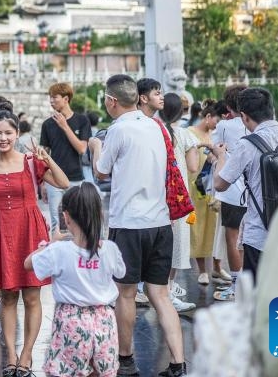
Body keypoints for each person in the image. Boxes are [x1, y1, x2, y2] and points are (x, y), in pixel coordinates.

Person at [89, 75, 186, 377]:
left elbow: (101, 173)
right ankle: (178, 364)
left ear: (112, 101)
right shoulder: (158, 128)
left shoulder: (117, 130)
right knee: (161, 295)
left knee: (126, 294)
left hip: (129, 225)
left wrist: (95, 146)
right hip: (160, 223)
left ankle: (126, 361)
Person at [0, 110, 70, 374]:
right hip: (2, 231)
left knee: (31, 296)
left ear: (17, 134)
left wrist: (47, 158)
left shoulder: (31, 162)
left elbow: (63, 183)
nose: (3, 138)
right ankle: (10, 354)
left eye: (8, 133)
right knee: (7, 297)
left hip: (30, 231)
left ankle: (27, 354)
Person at [25, 183, 126, 377]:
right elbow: (121, 272)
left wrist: (49, 244)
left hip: (70, 321)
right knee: (101, 370)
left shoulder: (58, 251)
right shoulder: (110, 249)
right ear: (99, 214)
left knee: (66, 371)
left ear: (66, 217)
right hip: (104, 320)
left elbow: (28, 263)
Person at [213, 87, 278, 281]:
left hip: (260, 235)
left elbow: (220, 184)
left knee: (259, 297)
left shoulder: (247, 145)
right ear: (272, 110)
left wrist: (220, 156)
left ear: (244, 117)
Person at [207, 86, 247, 301]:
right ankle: (249, 284)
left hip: (232, 189)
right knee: (251, 238)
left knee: (233, 238)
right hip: (256, 190)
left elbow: (214, 149)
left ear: (229, 106)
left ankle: (236, 286)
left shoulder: (224, 125)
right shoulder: (259, 124)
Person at [161, 93, 197, 313]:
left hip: (157, 195)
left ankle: (154, 289)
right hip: (178, 197)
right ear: (182, 112)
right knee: (176, 247)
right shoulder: (184, 134)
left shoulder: (156, 130)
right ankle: (168, 292)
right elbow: (193, 167)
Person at [40, 83, 91, 235]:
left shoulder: (82, 121)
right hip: (54, 181)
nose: (51, 101)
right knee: (56, 222)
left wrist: (65, 126)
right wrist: (43, 181)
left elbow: (82, 149)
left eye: (54, 97)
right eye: (50, 98)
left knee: (79, 219)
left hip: (75, 178)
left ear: (66, 99)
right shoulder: (47, 124)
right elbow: (44, 155)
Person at [186, 101, 225, 285]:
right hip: (196, 189)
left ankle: (217, 267)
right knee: (197, 228)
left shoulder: (217, 135)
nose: (217, 126)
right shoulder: (190, 134)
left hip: (214, 189)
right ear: (208, 117)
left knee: (216, 229)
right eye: (216, 121)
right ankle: (202, 270)